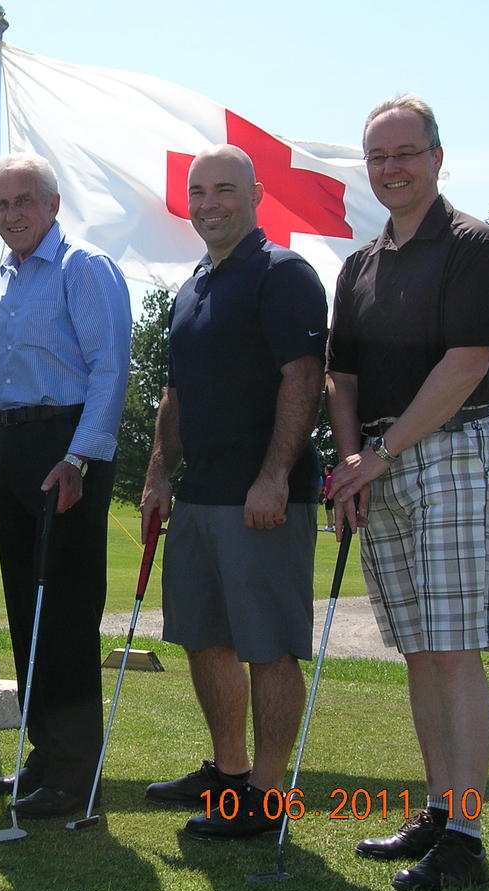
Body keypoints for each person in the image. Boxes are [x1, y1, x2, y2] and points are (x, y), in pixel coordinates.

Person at [326, 95, 489, 891]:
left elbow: (467, 363)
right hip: (381, 459)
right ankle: (440, 811)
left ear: (437, 157)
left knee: (452, 645)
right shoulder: (360, 266)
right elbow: (341, 376)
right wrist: (351, 462)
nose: (392, 168)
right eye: (378, 156)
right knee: (417, 645)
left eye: (406, 152)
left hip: (454, 446)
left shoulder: (471, 243)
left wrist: (379, 454)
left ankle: (466, 836)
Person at [140, 145, 327, 838]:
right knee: (204, 638)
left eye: (224, 188)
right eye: (199, 191)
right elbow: (175, 393)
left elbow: (303, 377)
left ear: (254, 195)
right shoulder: (193, 286)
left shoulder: (283, 274)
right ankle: (229, 772)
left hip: (264, 498)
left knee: (269, 646)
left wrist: (274, 475)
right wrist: (160, 472)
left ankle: (267, 795)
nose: (210, 202)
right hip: (200, 495)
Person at [0, 153, 131, 818]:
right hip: (15, 446)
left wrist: (78, 459)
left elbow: (109, 369)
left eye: (24, 200)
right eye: (1, 204)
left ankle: (75, 773)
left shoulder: (82, 267)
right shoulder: (6, 276)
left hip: (67, 448)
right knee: (26, 610)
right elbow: (11, 379)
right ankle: (45, 754)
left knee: (65, 614)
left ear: (52, 204)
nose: (12, 214)